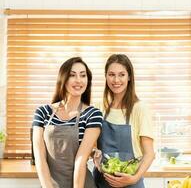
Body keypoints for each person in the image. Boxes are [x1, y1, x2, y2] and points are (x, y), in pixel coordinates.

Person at [32, 57, 102, 188]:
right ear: (63, 79)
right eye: (72, 75)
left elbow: (80, 160)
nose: (78, 80)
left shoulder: (93, 114)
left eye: (83, 75)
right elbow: (40, 157)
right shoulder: (42, 112)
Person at [93, 54, 155, 188]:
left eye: (121, 74)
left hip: (131, 182)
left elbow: (149, 154)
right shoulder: (97, 107)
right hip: (102, 182)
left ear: (129, 77)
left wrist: (134, 179)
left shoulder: (140, 109)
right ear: (105, 76)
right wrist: (94, 153)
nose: (116, 80)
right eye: (111, 74)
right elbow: (91, 146)